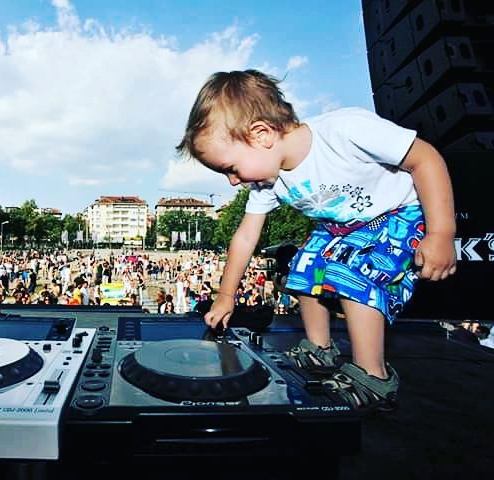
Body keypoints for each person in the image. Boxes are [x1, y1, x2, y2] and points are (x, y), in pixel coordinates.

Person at [176, 69, 456, 411]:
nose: (233, 181)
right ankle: (319, 350)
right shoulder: (268, 182)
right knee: (303, 266)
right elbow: (246, 236)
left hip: (399, 214)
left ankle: (374, 376)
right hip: (343, 227)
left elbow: (426, 159)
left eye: (230, 168)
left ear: (261, 134)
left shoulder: (345, 131)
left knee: (356, 272)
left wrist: (441, 233)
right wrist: (225, 296)